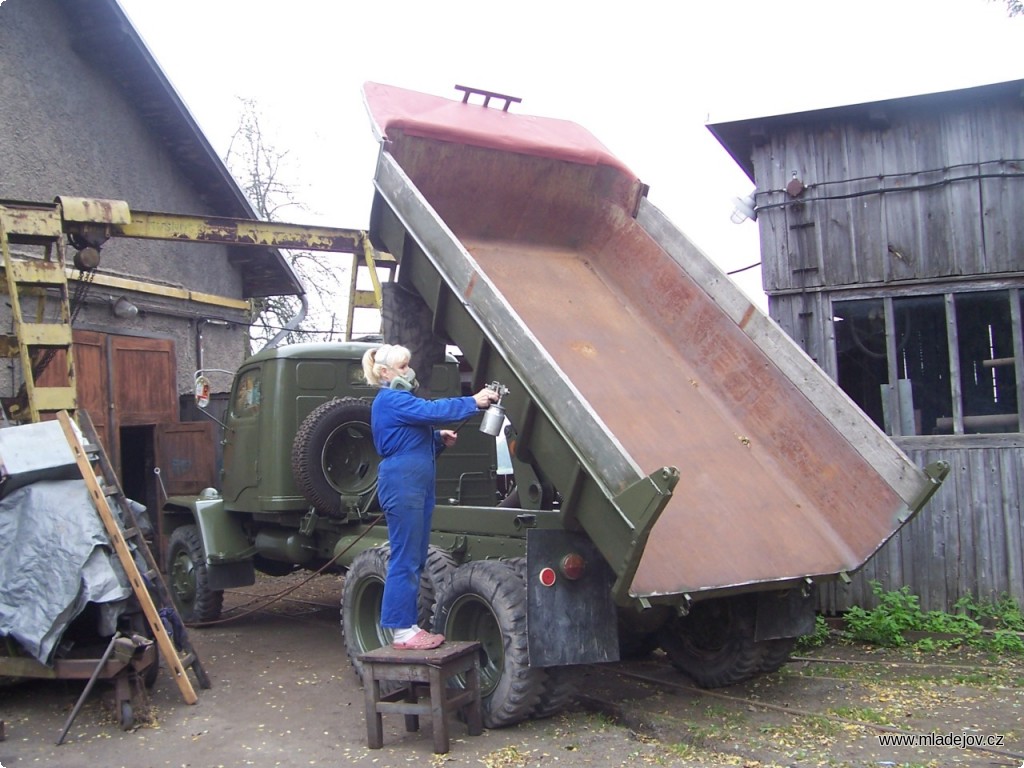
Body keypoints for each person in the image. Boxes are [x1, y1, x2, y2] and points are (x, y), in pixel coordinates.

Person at [362, 343, 499, 650]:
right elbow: (430, 412)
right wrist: (473, 401)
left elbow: (408, 438)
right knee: (405, 558)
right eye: (402, 367)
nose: (408, 371)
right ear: (385, 373)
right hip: (403, 484)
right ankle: (402, 632)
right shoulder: (391, 399)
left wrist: (437, 439)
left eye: (408, 364)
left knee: (415, 557)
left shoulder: (399, 401)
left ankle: (407, 627)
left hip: (414, 483)